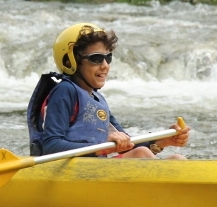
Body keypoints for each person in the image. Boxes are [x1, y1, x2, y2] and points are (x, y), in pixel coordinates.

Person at [27, 23, 190, 158]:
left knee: (177, 159)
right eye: (95, 59)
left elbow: (127, 143)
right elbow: (50, 146)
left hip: (95, 170)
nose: (105, 65)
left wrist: (162, 141)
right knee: (141, 154)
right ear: (71, 62)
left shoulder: (98, 99)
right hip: (70, 172)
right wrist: (99, 146)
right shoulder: (64, 91)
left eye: (108, 57)